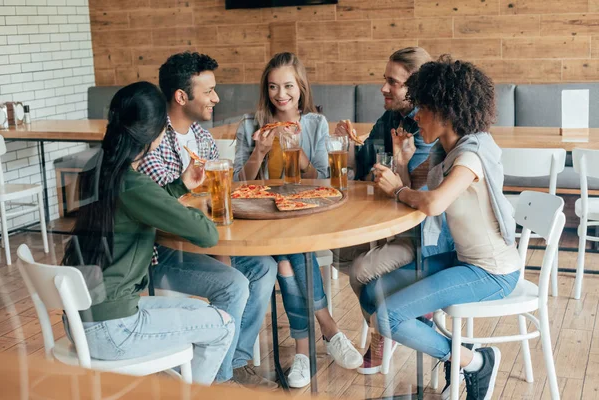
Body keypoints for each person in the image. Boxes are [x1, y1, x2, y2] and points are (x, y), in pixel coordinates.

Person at [362, 56, 521, 399]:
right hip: (463, 261)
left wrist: (398, 189)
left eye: (422, 107)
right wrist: (402, 163)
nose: (416, 115)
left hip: (491, 272)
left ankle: (474, 361)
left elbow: (433, 202)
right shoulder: (446, 152)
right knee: (372, 292)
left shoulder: (471, 154)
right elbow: (418, 194)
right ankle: (457, 352)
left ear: (447, 110)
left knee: (388, 318)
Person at [61, 81, 234, 385]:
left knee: (200, 310)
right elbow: (207, 235)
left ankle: (179, 385)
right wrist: (193, 208)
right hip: (113, 330)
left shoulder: (97, 170)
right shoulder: (132, 183)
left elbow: (135, 204)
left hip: (80, 320)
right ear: (154, 135)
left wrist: (178, 187)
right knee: (223, 324)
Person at [137, 52, 278, 390]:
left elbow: (220, 195)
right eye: (209, 91)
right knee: (235, 283)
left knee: (264, 267)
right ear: (181, 97)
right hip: (166, 252)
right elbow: (170, 214)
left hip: (207, 240)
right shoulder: (153, 140)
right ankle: (220, 380)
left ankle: (235, 359)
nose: (216, 98)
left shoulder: (201, 136)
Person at [233, 52, 362, 388]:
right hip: (260, 219)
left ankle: (304, 354)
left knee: (289, 264)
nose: (281, 94)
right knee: (293, 256)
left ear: (301, 87)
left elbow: (323, 180)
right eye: (273, 86)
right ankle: (328, 327)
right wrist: (258, 153)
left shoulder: (315, 124)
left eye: (288, 85)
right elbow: (235, 184)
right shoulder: (250, 125)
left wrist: (298, 154)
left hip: (303, 215)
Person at [332, 47, 452, 375]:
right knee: (335, 252)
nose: (384, 88)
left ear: (415, 87)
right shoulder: (392, 117)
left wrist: (396, 165)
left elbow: (416, 196)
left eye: (393, 82)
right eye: (385, 80)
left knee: (361, 270)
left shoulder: (428, 127)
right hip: (388, 224)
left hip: (422, 236)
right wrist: (349, 146)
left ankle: (384, 329)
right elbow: (367, 162)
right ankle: (400, 311)